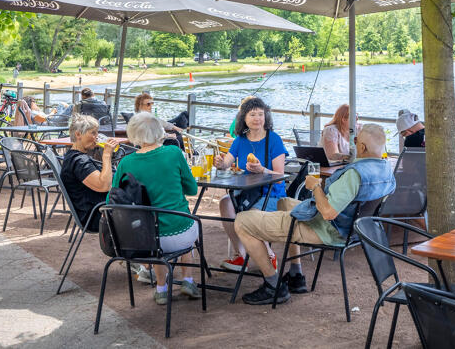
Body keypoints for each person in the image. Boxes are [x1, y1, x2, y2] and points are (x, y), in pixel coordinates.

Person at [234, 124, 395, 305]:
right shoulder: (387, 171)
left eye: (356, 140)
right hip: (354, 230)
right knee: (283, 202)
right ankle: (296, 274)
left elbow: (328, 213)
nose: (354, 143)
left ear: (362, 147)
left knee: (242, 221)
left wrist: (316, 186)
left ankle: (273, 286)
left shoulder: (355, 175)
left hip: (326, 229)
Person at [111, 112, 201, 304]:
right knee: (186, 220)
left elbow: (113, 197)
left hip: (144, 239)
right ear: (159, 131)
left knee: (155, 228)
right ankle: (188, 280)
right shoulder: (174, 153)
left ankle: (161, 288)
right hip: (180, 233)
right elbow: (192, 189)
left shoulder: (126, 162)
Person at [213, 97, 288, 272]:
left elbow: (280, 175)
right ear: (244, 118)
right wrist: (220, 163)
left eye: (261, 114)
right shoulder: (240, 140)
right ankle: (240, 256)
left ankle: (269, 255)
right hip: (246, 192)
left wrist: (262, 170)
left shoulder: (274, 139)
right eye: (252, 114)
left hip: (271, 194)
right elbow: (227, 163)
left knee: (249, 216)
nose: (257, 118)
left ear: (266, 117)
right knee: (225, 202)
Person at [60, 114, 119, 232]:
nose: (97, 137)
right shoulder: (79, 162)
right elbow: (104, 186)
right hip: (97, 215)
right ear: (78, 134)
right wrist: (106, 155)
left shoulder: (74, 156)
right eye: (93, 133)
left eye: (97, 133)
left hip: (99, 208)